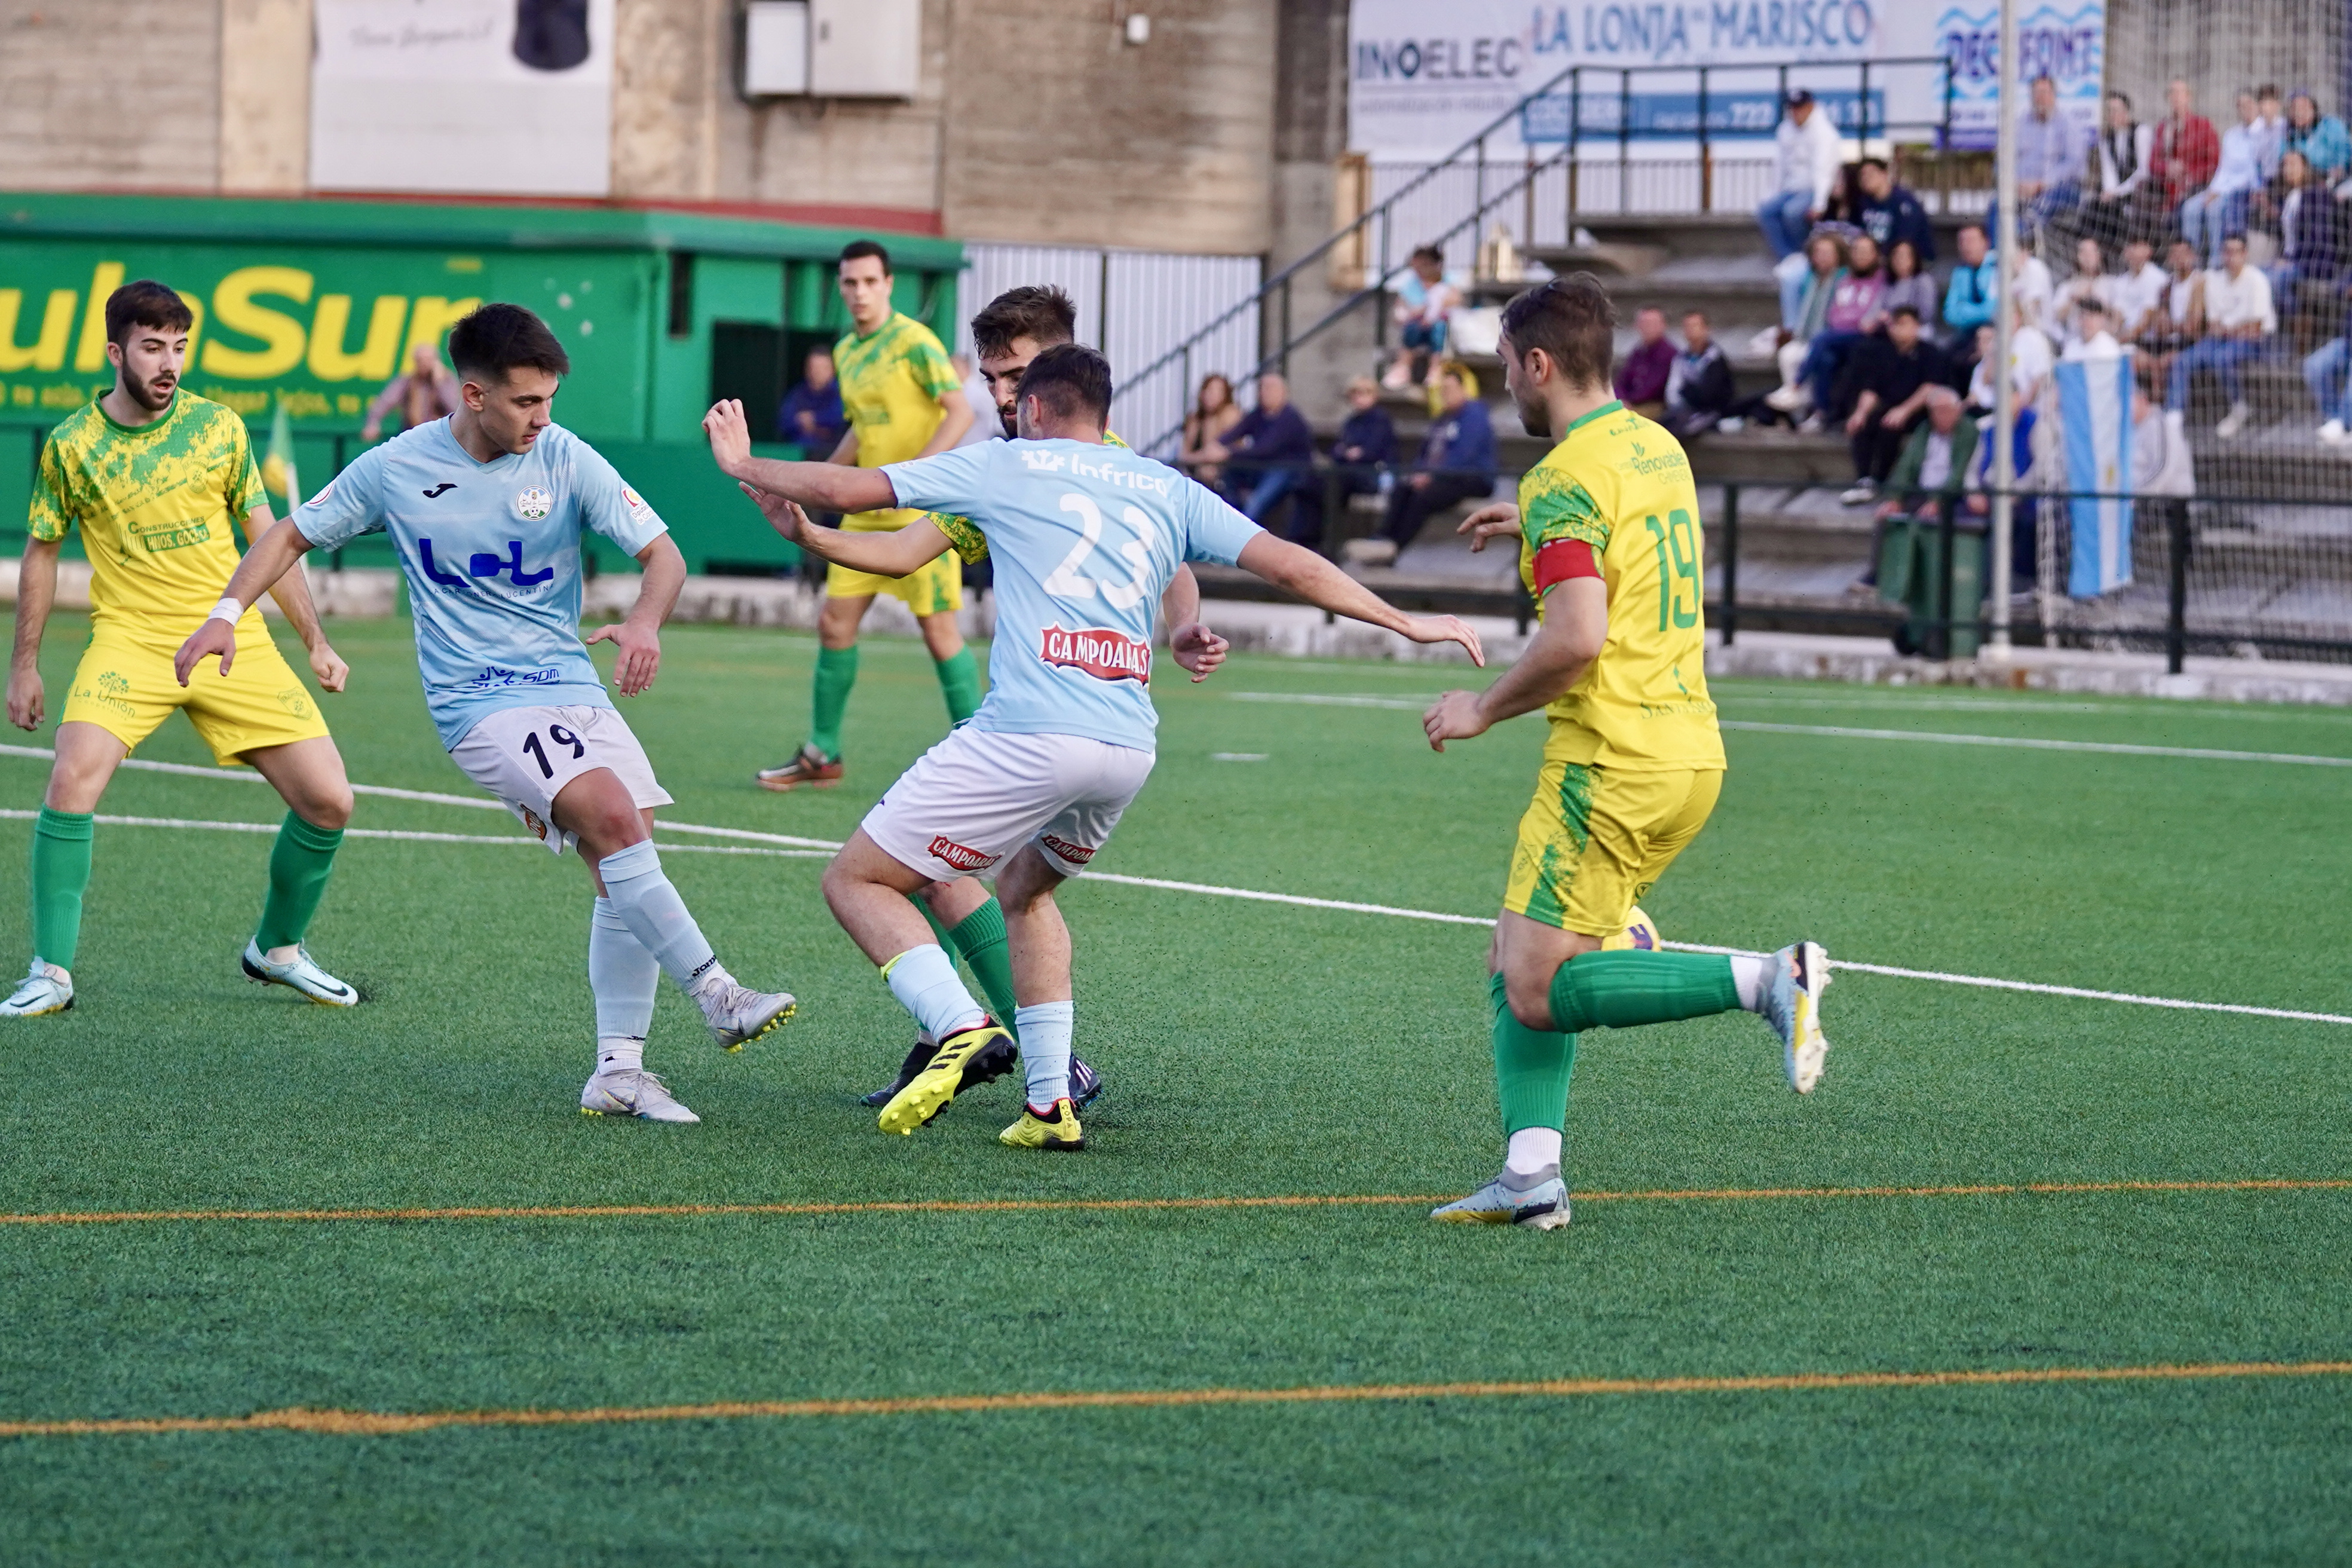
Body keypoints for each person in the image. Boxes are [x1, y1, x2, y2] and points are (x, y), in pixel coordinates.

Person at [704, 345, 1483, 1149]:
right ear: (1103, 414)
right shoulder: (1161, 484)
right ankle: (1050, 1105)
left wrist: (744, 462)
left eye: (1013, 393)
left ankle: (957, 1023)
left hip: (1032, 733)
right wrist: (1408, 621)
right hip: (1124, 750)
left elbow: (852, 486)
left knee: (859, 879)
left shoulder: (1009, 465)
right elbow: (1289, 564)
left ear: (1036, 409)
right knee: (1027, 894)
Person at [176, 303, 797, 1123]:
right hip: (477, 699)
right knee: (613, 818)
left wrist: (645, 620)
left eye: (549, 401)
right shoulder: (396, 467)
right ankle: (717, 992)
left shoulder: (565, 455)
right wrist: (225, 612)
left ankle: (619, 1071)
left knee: (626, 849)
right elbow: (289, 535)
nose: (544, 418)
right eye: (526, 403)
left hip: (570, 684)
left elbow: (664, 554)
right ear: (473, 395)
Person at [1416, 275, 1831, 1230]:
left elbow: (1575, 640)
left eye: (1504, 371)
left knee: (1534, 986)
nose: (1505, 391)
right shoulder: (1656, 446)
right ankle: (1531, 1178)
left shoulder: (1562, 478)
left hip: (1610, 762)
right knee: (1514, 949)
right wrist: (1536, 526)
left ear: (1538, 363)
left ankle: (1769, 979)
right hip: (1689, 753)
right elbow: (1628, 534)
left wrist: (1482, 708)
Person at [1, 280, 358, 1019]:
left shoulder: (219, 428)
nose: (169, 363)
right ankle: (51, 971)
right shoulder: (72, 444)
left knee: (330, 801)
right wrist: (25, 664)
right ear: (115, 352)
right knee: (71, 781)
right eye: (153, 347)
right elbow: (42, 553)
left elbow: (271, 539)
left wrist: (316, 640)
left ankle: (278, 950)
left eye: (179, 348)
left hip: (233, 638)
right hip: (130, 640)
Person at [851, 284, 1128, 1115]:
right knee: (970, 874)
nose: (999, 396)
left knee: (911, 870)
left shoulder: (1068, 462)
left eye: (1013, 377)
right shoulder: (1053, 459)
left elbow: (1184, 552)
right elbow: (911, 548)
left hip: (1055, 724)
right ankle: (1035, 1063)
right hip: (1083, 729)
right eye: (992, 378)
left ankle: (1002, 1043)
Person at [754, 240, 976, 792]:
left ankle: (981, 754)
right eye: (850, 283)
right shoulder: (848, 352)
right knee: (835, 624)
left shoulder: (915, 342)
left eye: (869, 282)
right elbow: (862, 428)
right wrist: (821, 484)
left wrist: (919, 477)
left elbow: (961, 410)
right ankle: (822, 753)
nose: (859, 292)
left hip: (922, 514)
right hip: (867, 513)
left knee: (939, 632)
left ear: (888, 284)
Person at [1855, 385, 1978, 592]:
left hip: (1950, 498)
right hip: (1920, 493)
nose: (1940, 417)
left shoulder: (1968, 431)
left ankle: (1923, 583)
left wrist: (1937, 502)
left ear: (1957, 410)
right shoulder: (1924, 430)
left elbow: (1959, 473)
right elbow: (1907, 466)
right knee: (1886, 517)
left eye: (1945, 411)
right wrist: (1895, 498)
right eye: (1935, 412)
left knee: (1934, 520)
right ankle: (1876, 575)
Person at [1839, 306, 1953, 506]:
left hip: (1918, 410)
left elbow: (1929, 388)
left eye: (1903, 324)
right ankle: (1864, 478)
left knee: (1890, 426)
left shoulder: (1930, 353)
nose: (1897, 330)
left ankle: (1880, 480)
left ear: (1916, 327)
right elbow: (1871, 389)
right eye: (1894, 324)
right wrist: (1860, 413)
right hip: (1889, 406)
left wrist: (1904, 410)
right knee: (1864, 424)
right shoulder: (1882, 352)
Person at [2169, 232, 2274, 437]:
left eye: (2236, 252)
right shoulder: (2214, 280)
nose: (2231, 256)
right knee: (2181, 361)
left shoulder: (2257, 279)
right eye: (2227, 252)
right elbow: (2213, 325)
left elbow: (2256, 328)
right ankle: (2174, 416)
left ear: (2245, 254)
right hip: (2221, 338)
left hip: (2256, 342)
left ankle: (2239, 407)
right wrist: (2233, 328)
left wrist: (2230, 329)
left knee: (2222, 359)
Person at [1380, 366, 1497, 550]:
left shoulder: (1474, 416)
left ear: (1462, 389)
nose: (1445, 395)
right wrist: (1418, 474)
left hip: (1469, 477)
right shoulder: (1442, 418)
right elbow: (1424, 453)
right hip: (1438, 476)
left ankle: (1395, 546)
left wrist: (1431, 476)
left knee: (1423, 499)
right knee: (1402, 490)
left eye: (1450, 389)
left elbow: (1463, 456)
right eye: (1443, 390)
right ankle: (1382, 539)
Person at [1793, 231, 1886, 419]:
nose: (1861, 255)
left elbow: (1868, 317)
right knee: (1826, 359)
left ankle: (1796, 384)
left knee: (1821, 338)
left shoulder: (1881, 280)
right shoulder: (1846, 280)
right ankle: (1822, 413)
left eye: (1866, 251)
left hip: (1865, 336)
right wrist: (1849, 321)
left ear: (1876, 255)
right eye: (1857, 251)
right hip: (1841, 335)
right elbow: (1834, 314)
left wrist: (1852, 321)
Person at [1206, 371, 1317, 528]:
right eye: (1262, 388)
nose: (1264, 392)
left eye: (1270, 388)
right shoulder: (1258, 414)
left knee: (1256, 501)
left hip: (1290, 470)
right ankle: (1231, 517)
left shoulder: (1290, 418)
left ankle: (1242, 532)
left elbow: (1265, 449)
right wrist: (1216, 446)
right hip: (1264, 468)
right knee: (1229, 474)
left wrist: (1227, 453)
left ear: (1283, 392)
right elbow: (1236, 432)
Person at [1758, 89, 1843, 262]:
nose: (1796, 113)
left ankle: (1804, 255)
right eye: (1793, 108)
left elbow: (1823, 170)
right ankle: (1788, 258)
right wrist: (1772, 193)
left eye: (1800, 108)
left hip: (1814, 187)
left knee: (1792, 213)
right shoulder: (1785, 129)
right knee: (1765, 212)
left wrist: (1819, 203)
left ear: (1811, 107)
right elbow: (1780, 166)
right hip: (1791, 188)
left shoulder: (1823, 132)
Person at [2183, 93, 2265, 266]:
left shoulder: (2265, 133)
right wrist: (2213, 190)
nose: (2245, 109)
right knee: (2190, 208)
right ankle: (2190, 263)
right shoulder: (2231, 135)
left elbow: (2253, 173)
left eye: (2249, 104)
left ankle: (2216, 263)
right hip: (2223, 188)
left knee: (2214, 209)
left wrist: (2221, 193)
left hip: (2244, 191)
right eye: (2240, 106)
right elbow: (2223, 169)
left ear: (2258, 106)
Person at [2010, 74, 2085, 246]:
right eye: (2036, 93)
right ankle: (1996, 256)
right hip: (2022, 189)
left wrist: (2041, 184)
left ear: (2054, 95)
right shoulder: (2019, 125)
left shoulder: (2069, 124)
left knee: (2041, 205)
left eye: (2044, 93)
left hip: (2058, 188)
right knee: (1997, 205)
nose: (2040, 98)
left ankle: (2022, 244)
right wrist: (2016, 184)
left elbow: (2075, 164)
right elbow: (2003, 162)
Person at [2267, 150, 2342, 317]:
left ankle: (2292, 321)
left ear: (2305, 168)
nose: (2288, 169)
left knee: (2274, 280)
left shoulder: (2316, 195)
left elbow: (2317, 240)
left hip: (2309, 263)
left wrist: (2291, 261)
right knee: (2258, 275)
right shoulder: (2289, 197)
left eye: (2293, 164)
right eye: (2285, 165)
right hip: (2289, 260)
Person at [2087, 90, 2158, 250]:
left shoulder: (2141, 132)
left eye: (2116, 110)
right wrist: (2109, 192)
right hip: (2116, 191)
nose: (2112, 115)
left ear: (2126, 112)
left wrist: (2118, 192)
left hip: (2138, 189)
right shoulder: (2106, 139)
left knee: (2117, 210)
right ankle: (2096, 254)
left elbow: (2144, 171)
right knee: (2093, 207)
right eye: (2109, 111)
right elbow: (2109, 171)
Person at [1386, 246, 1460, 388]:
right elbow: (1400, 308)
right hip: (1417, 326)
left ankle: (1435, 369)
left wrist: (1428, 309)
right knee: (1412, 329)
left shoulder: (1446, 281)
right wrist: (1407, 315)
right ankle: (1403, 368)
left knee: (1438, 328)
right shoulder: (1410, 284)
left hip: (1440, 326)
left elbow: (1453, 301)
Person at [359, 339, 461, 444]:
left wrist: (440, 384)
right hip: (413, 437)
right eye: (420, 360)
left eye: (429, 360)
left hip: (441, 439)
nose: (425, 364)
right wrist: (373, 422)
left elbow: (453, 408)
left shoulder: (447, 381)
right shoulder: (407, 382)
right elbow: (386, 401)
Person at [1328, 373, 1398, 520]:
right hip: (1353, 472)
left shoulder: (1380, 420)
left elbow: (1371, 452)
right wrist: (1348, 454)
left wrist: (1351, 454)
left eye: (1365, 394)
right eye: (1355, 395)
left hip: (1376, 474)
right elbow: (1337, 451)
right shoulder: (1351, 422)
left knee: (1339, 482)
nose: (1359, 399)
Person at [2151, 78, 2220, 220]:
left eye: (2180, 93)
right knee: (2144, 190)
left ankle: (2182, 241)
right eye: (2172, 93)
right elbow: (2152, 162)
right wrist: (2167, 168)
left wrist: (2187, 171)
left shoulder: (2203, 125)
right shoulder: (2163, 127)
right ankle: (2140, 240)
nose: (2176, 97)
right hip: (2166, 185)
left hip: (2194, 185)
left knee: (2183, 203)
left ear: (2189, 97)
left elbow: (2215, 162)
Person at [1662, 311, 1734, 439]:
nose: (1691, 331)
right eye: (1687, 327)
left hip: (1711, 413)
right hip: (1682, 410)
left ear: (1707, 329)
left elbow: (1709, 395)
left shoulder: (1715, 359)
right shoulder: (1680, 358)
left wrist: (1686, 390)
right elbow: (1673, 390)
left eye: (1695, 326)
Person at [2301, 277, 2352, 444]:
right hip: (2347, 342)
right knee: (2314, 366)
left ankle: (2346, 425)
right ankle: (2335, 419)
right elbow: (2340, 289)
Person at [1855, 157, 1935, 263]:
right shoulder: (1864, 202)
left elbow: (1906, 238)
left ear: (1884, 174)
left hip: (1913, 261)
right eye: (1862, 175)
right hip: (1875, 262)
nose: (1866, 179)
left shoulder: (1904, 201)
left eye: (1871, 174)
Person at [775, 345, 846, 455]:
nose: (817, 372)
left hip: (831, 456)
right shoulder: (797, 394)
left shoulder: (841, 393)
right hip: (798, 456)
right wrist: (801, 422)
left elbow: (840, 419)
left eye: (823, 368)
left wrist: (815, 419)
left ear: (833, 370)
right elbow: (784, 421)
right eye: (813, 367)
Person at [1941, 224, 1998, 352]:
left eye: (1971, 241)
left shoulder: (1997, 267)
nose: (1966, 246)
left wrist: (1964, 308)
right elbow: (1950, 314)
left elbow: (1992, 311)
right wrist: (1978, 312)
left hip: (1995, 332)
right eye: (1962, 241)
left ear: (1986, 242)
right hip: (1967, 334)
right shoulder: (1959, 272)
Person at [1179, 373, 1242, 487]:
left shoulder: (1230, 414)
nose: (1212, 395)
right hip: (1196, 473)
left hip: (1225, 474)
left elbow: (1214, 453)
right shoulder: (1195, 420)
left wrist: (1197, 459)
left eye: (1218, 391)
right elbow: (1184, 455)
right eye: (1209, 390)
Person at [2052, 236, 2114, 349]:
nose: (2088, 257)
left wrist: (2097, 300)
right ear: (2077, 257)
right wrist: (2075, 299)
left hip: (2102, 342)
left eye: (2092, 252)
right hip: (2074, 342)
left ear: (2099, 256)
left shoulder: (2110, 284)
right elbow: (2056, 316)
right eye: (2083, 253)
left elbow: (2116, 316)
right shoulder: (2067, 286)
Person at [1612, 306, 1674, 416]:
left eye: (1652, 324)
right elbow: (1623, 380)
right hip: (1630, 403)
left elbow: (1655, 387)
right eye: (1644, 324)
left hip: (1655, 405)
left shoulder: (1668, 354)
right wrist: (1621, 399)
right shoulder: (1638, 352)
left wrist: (1630, 401)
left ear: (1663, 326)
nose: (1647, 329)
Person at [2284, 88, 2352, 185]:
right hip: (2306, 184)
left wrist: (2336, 172)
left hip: (2340, 180)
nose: (2298, 113)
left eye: (2303, 108)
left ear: (2313, 109)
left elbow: (2344, 154)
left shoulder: (2331, 125)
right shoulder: (2290, 135)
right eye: (2294, 108)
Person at [2109, 237, 2170, 340]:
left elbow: (2147, 320)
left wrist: (2121, 339)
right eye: (2130, 247)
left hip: (2148, 341)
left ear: (2148, 251)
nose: (2133, 251)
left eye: (2137, 247)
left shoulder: (2158, 278)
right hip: (2123, 338)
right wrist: (2111, 337)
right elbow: (2117, 316)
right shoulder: (2120, 282)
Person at [1881, 238, 1938, 329]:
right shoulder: (1887, 282)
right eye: (1896, 256)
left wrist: (1896, 318)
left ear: (1914, 258)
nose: (1899, 260)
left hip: (1918, 330)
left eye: (1904, 256)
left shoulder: (1923, 281)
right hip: (1889, 329)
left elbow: (1926, 314)